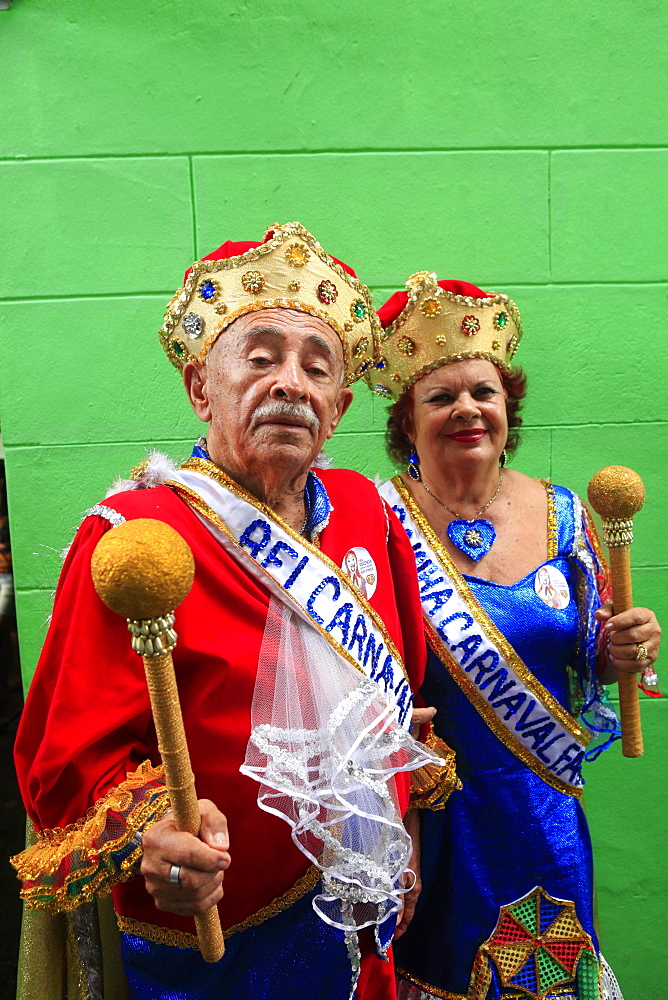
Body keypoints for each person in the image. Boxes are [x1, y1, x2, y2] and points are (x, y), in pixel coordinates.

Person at [12, 225, 450, 1000]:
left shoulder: (367, 512)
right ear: (199, 389)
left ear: (340, 406)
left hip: (362, 918)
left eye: (317, 369)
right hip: (219, 937)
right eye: (260, 359)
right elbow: (64, 754)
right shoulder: (132, 536)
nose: (290, 383)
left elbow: (400, 710)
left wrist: (401, 838)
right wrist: (151, 836)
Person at [367, 271, 662, 1000]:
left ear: (508, 407)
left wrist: (620, 648)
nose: (467, 409)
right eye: (441, 397)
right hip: (433, 825)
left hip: (545, 816)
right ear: (408, 419)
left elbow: (588, 648)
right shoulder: (373, 521)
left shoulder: (565, 514)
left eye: (484, 393)